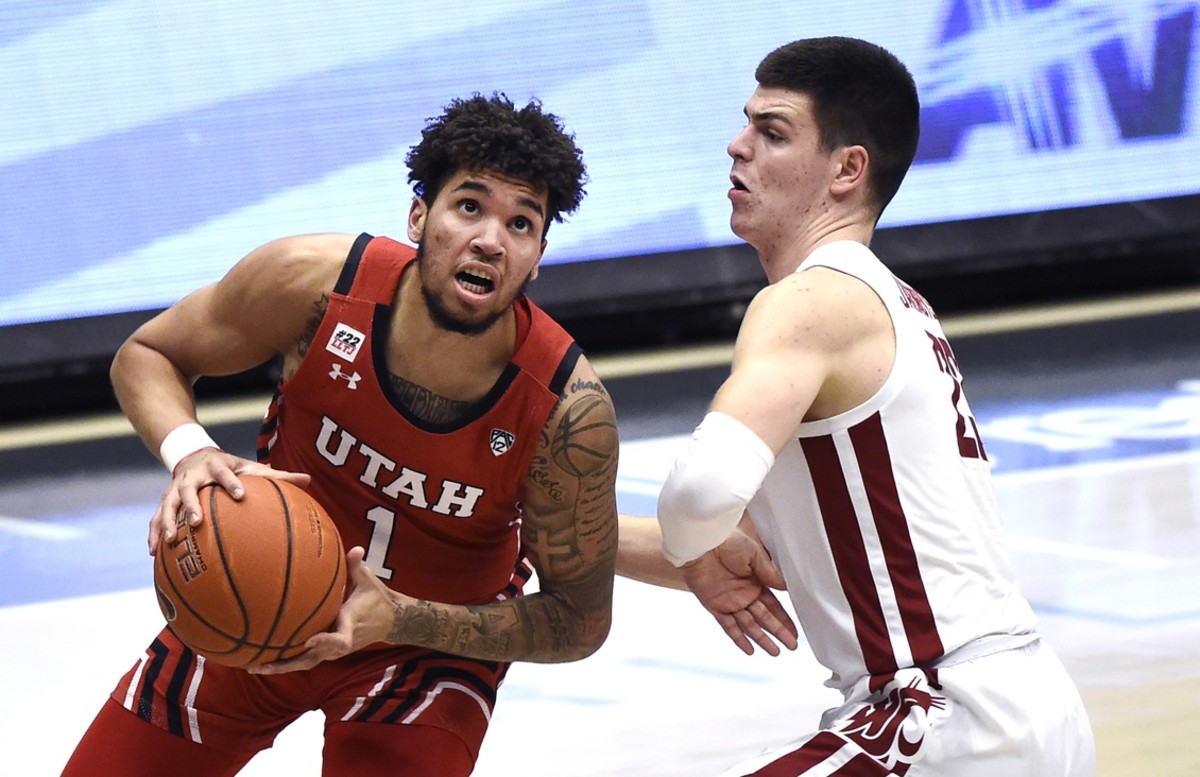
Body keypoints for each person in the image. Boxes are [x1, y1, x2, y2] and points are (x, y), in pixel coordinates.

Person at [62, 93, 619, 777]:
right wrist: (192, 452)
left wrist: (403, 619)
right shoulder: (312, 284)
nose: (489, 239)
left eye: (521, 222)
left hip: (424, 651)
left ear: (536, 257)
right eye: (468, 206)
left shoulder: (568, 410)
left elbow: (580, 622)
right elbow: (147, 355)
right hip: (263, 588)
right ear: (419, 216)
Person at [616, 37, 1096, 776]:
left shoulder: (809, 301)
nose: (735, 146)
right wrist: (526, 533)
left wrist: (695, 545)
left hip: (940, 713)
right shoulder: (894, 303)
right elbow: (733, 547)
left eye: (771, 132)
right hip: (1018, 707)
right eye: (746, 123)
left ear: (847, 169)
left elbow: (699, 500)